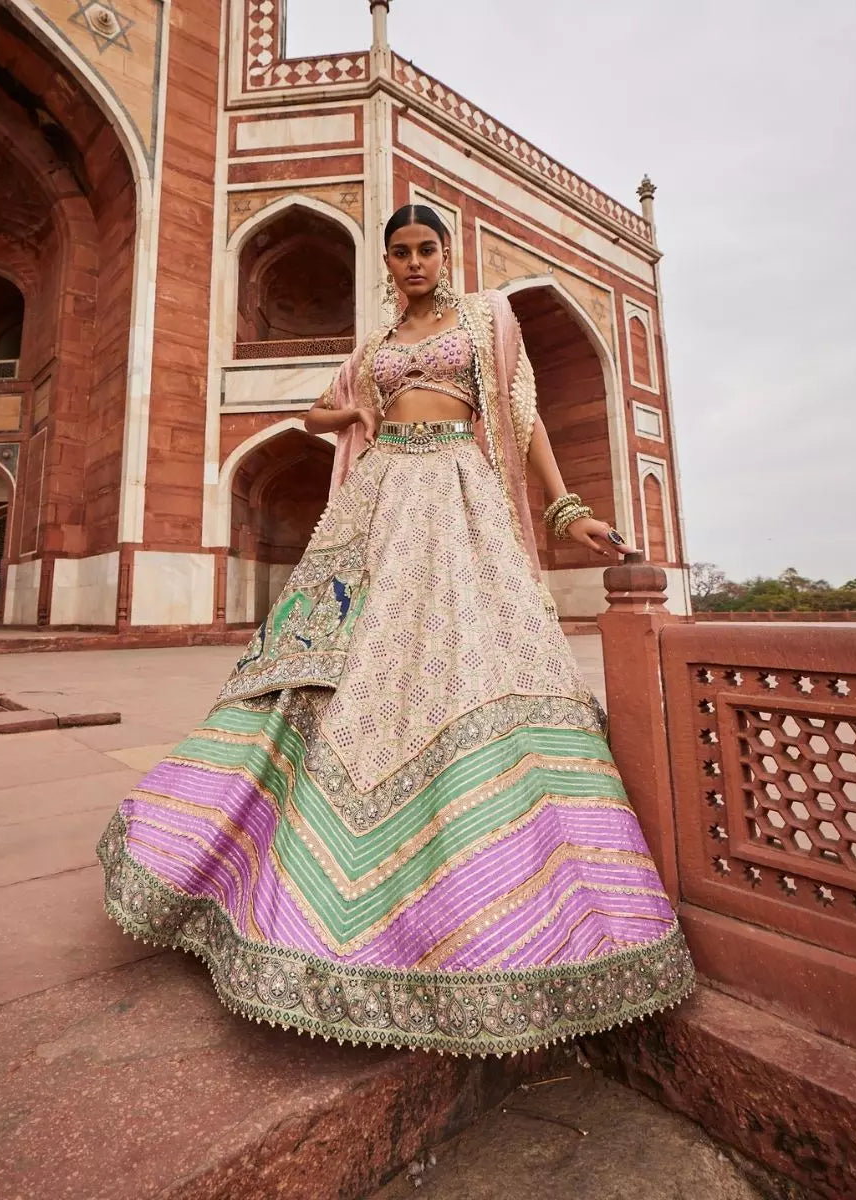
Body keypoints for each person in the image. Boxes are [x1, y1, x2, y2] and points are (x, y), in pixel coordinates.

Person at [97, 203, 695, 1056]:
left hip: (457, 493)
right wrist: (354, 418)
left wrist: (566, 508)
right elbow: (313, 415)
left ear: (445, 252)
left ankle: (492, 896)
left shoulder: (488, 318)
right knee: (339, 664)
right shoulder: (372, 351)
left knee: (464, 660)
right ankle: (279, 879)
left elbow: (520, 419)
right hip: (377, 501)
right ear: (385, 264)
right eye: (400, 253)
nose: (414, 262)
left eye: (426, 248)